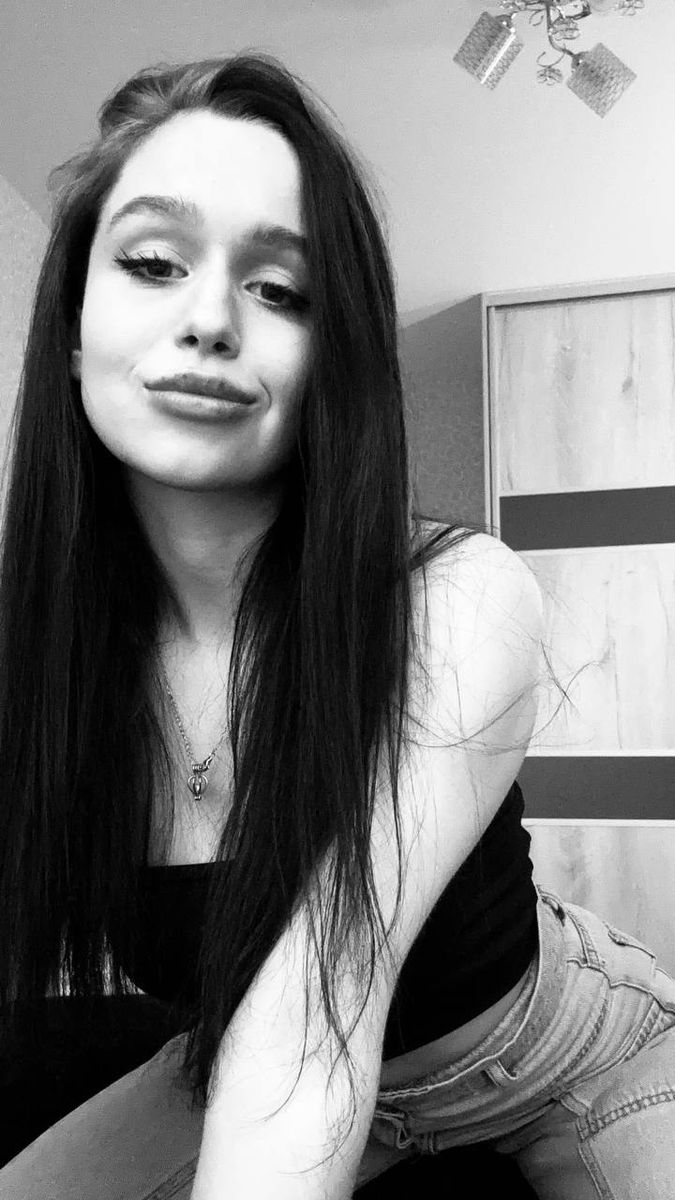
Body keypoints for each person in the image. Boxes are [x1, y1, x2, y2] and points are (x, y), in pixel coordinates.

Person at [0, 51, 674, 1200]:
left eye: (281, 289)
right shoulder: (45, 665)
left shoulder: (457, 597)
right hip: (223, 1058)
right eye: (153, 264)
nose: (210, 319)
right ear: (71, 331)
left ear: (333, 364)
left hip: (561, 1060)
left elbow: (315, 1011)